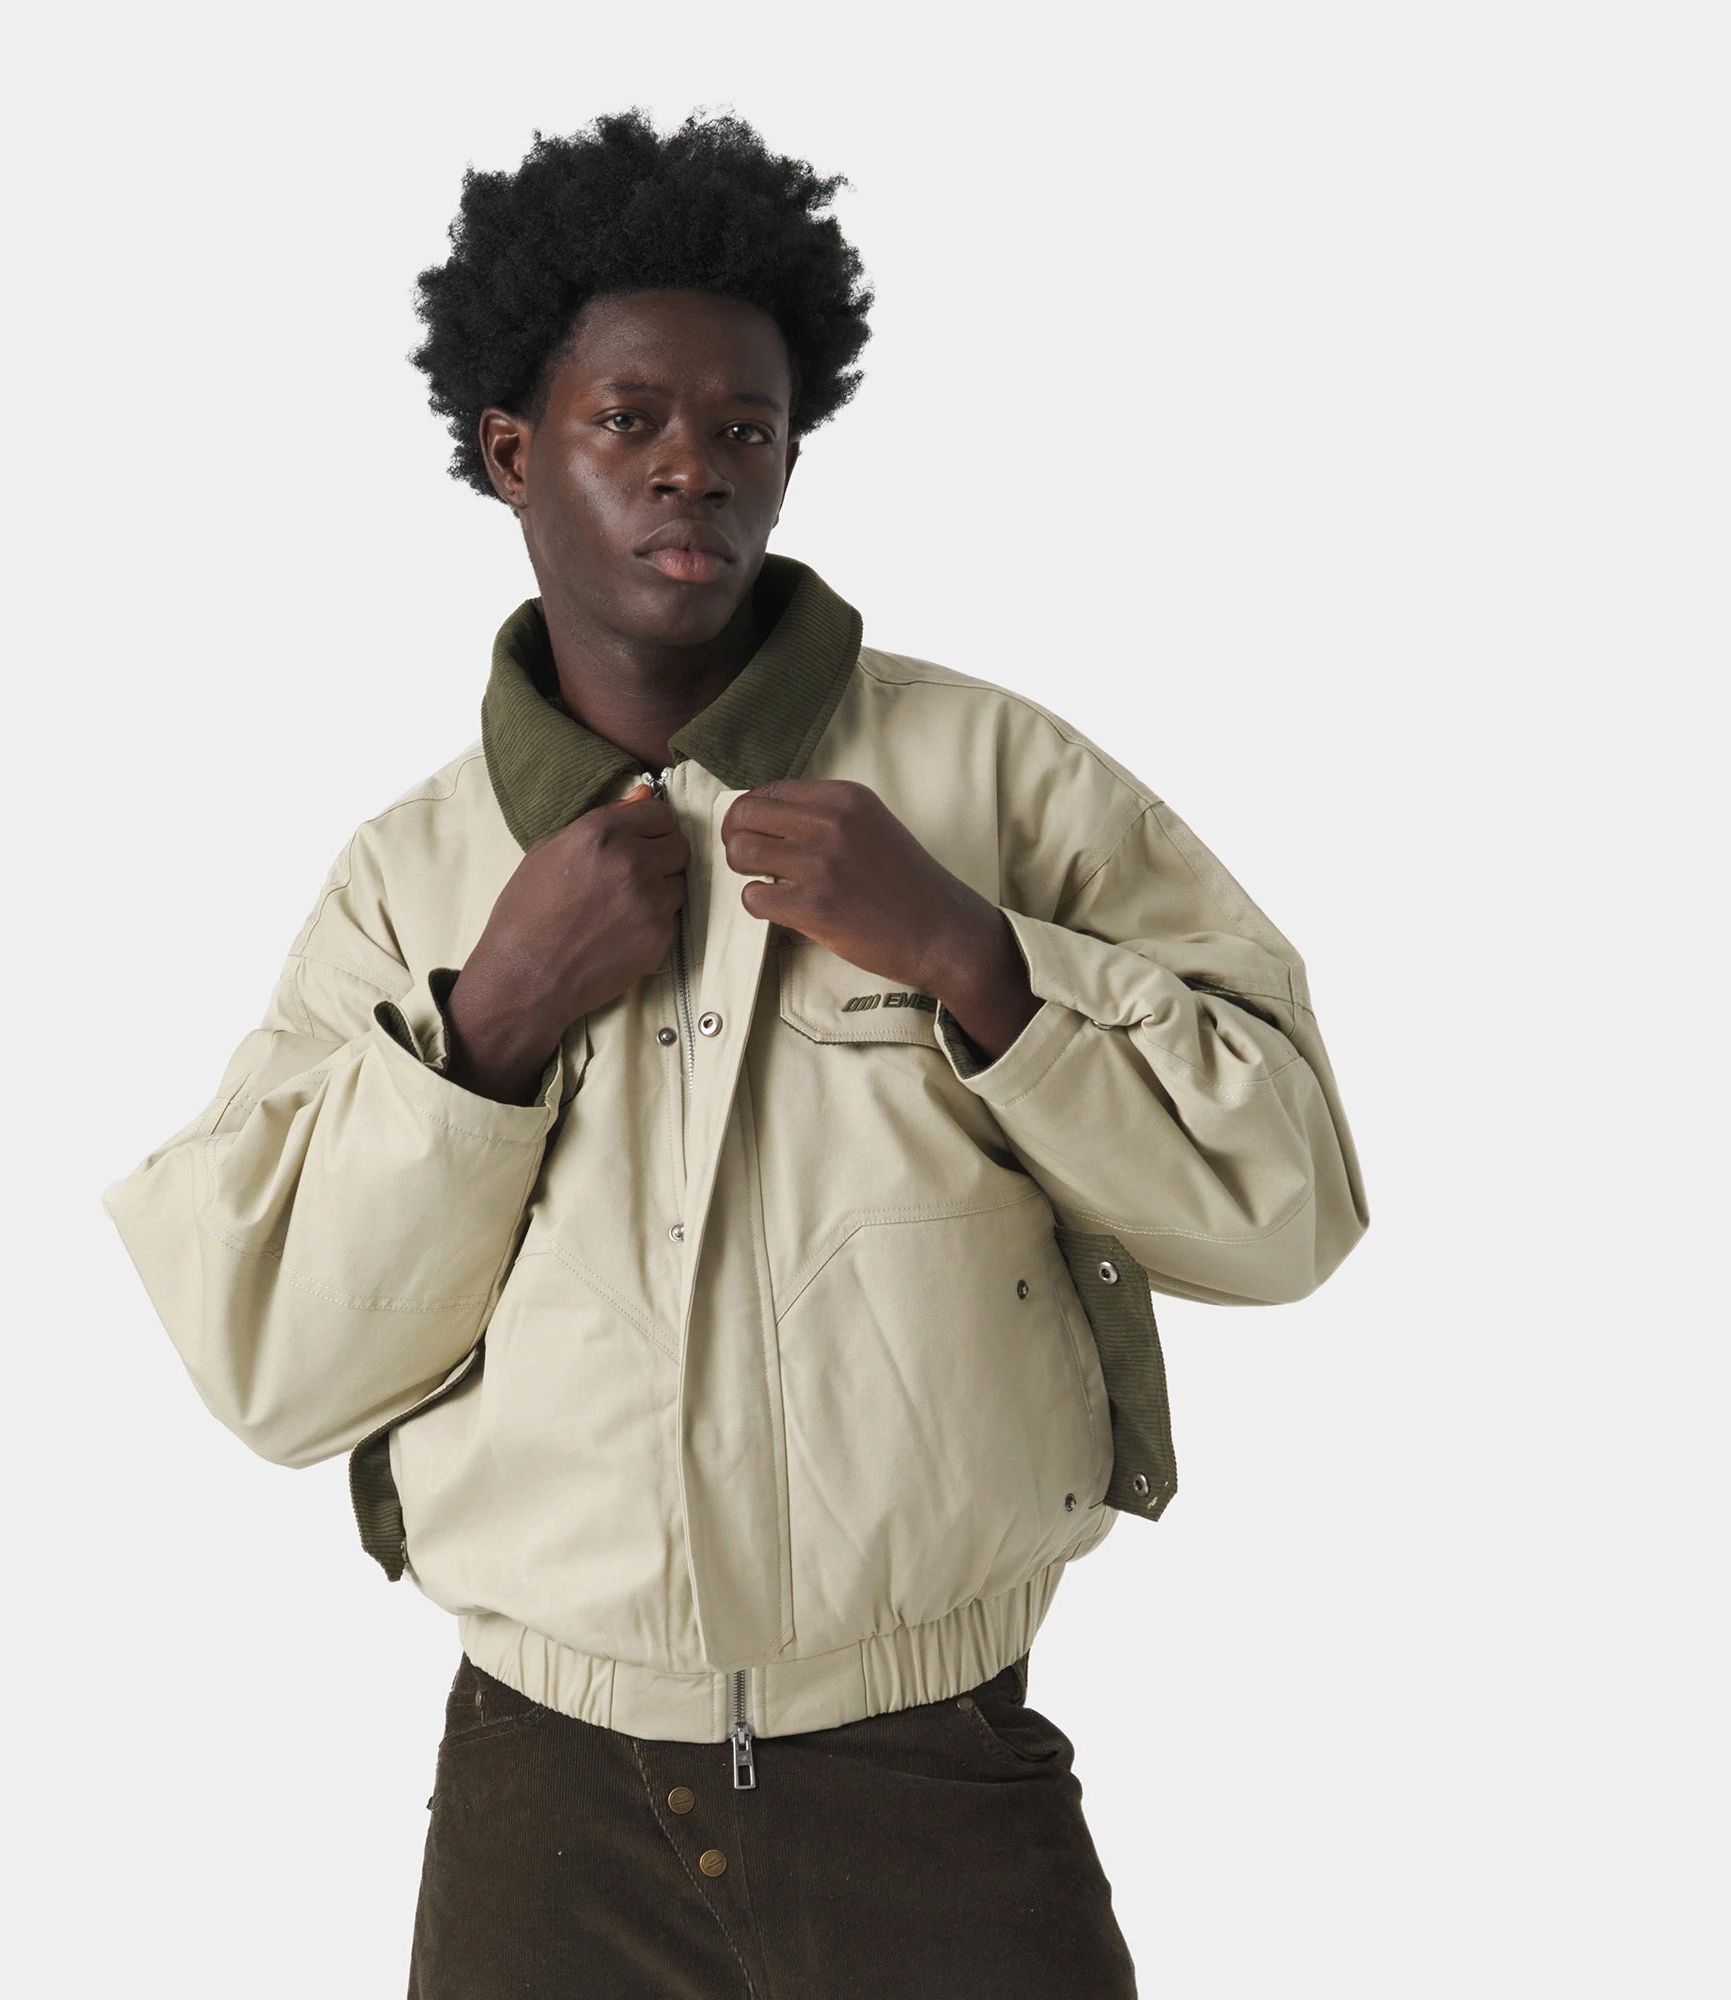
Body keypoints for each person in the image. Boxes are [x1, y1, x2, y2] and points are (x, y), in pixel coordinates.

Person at [103, 106, 1369, 1999]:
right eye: (628, 419)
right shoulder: (415, 877)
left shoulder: (996, 782)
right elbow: (271, 1361)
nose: (693, 465)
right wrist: (487, 1023)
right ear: (512, 451)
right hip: (544, 1798)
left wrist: (976, 956)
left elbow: (1289, 1206)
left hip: (937, 1773)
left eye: (746, 429)